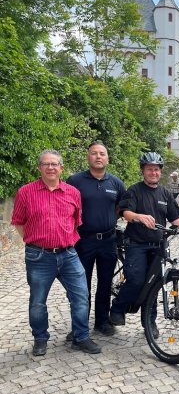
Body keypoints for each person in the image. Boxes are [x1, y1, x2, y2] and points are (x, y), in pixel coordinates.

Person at [11, 150, 101, 356]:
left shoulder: (73, 193)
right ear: (39, 168)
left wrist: (63, 239)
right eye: (46, 164)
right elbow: (18, 222)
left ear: (61, 168)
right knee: (37, 301)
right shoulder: (26, 192)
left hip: (69, 254)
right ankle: (40, 338)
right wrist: (35, 241)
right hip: (39, 256)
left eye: (55, 164)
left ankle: (81, 337)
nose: (50, 167)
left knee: (80, 296)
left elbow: (76, 222)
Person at [109, 152, 179, 337]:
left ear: (160, 172)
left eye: (156, 169)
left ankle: (149, 322)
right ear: (143, 171)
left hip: (158, 245)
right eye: (149, 169)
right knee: (136, 279)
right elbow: (125, 213)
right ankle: (117, 308)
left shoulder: (164, 193)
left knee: (154, 284)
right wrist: (138, 216)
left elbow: (174, 218)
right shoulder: (134, 190)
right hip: (137, 244)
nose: (153, 172)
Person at [66, 141, 126, 337]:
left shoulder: (116, 183)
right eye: (94, 153)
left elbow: (121, 208)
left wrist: (107, 221)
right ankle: (79, 324)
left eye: (102, 153)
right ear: (88, 156)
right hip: (83, 241)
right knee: (81, 285)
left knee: (105, 282)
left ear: (108, 158)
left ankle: (102, 321)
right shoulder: (75, 181)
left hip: (109, 241)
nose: (98, 156)